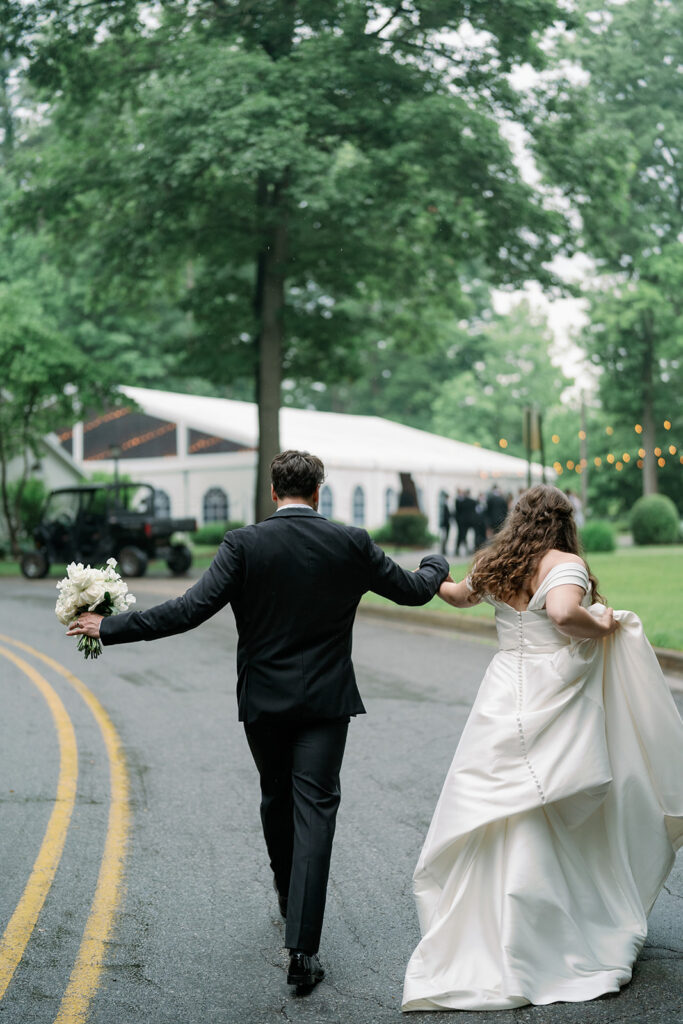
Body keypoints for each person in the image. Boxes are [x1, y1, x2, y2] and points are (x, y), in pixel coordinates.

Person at [67, 450, 449, 993]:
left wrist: (110, 627)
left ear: (273, 493)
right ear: (319, 491)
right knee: (315, 810)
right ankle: (303, 949)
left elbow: (186, 610)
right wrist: (437, 563)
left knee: (275, 797)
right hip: (326, 703)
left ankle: (287, 897)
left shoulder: (243, 545)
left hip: (263, 703)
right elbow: (414, 590)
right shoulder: (351, 543)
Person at [402, 484, 683, 1011]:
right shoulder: (565, 563)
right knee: (552, 803)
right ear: (564, 520)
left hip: (504, 687)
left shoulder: (496, 559)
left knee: (498, 807)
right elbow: (560, 615)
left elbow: (458, 596)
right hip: (554, 693)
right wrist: (601, 621)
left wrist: (433, 572)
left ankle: (489, 925)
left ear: (519, 518)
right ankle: (547, 931)